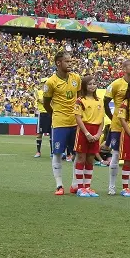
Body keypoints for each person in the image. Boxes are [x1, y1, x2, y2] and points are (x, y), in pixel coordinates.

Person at [42, 51, 82, 196]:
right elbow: (46, 103)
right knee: (57, 153)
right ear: (58, 63)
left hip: (75, 122)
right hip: (59, 122)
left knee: (77, 153)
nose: (70, 64)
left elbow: (79, 98)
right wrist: (55, 114)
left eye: (71, 61)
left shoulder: (76, 78)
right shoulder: (50, 82)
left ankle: (75, 184)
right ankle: (59, 185)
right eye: (67, 61)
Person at [104, 59, 130, 195]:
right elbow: (106, 101)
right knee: (115, 154)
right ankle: (112, 186)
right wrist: (112, 117)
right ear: (124, 69)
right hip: (118, 126)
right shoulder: (116, 84)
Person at [71, 75, 102, 198]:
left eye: (94, 83)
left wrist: (98, 134)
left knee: (90, 159)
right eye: (89, 84)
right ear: (84, 86)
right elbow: (78, 118)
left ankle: (87, 187)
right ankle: (80, 188)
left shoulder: (99, 100)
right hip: (84, 131)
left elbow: (101, 119)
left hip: (95, 131)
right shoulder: (80, 100)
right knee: (81, 158)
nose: (92, 86)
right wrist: (87, 133)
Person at [34, 86, 51, 159]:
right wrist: (49, 100)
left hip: (50, 113)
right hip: (42, 114)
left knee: (51, 134)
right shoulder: (38, 92)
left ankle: (52, 152)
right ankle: (38, 152)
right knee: (39, 134)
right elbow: (41, 101)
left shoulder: (51, 91)